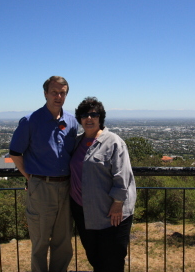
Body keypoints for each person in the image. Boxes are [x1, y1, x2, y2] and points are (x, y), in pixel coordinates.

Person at [9, 76, 78, 272]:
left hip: (66, 187)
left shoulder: (72, 122)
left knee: (64, 243)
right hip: (41, 187)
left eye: (62, 93)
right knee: (40, 243)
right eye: (54, 92)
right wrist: (30, 177)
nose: (58, 96)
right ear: (45, 93)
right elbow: (15, 153)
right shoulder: (31, 121)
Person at [70, 97, 136, 272]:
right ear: (80, 119)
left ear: (101, 117)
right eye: (84, 115)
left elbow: (123, 175)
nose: (89, 118)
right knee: (95, 257)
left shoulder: (113, 142)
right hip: (84, 213)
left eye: (93, 114)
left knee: (112, 260)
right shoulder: (76, 142)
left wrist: (117, 203)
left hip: (111, 213)